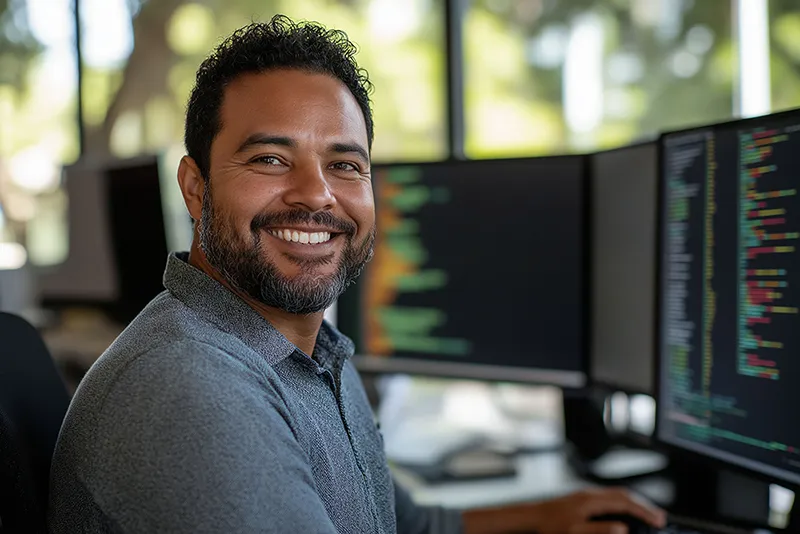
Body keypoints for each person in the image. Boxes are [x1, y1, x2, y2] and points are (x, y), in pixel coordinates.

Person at [48, 15, 666, 534]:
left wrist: (545, 516)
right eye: (270, 158)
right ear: (194, 187)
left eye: (345, 164)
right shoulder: (190, 390)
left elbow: (402, 523)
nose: (316, 195)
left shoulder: (301, 352)